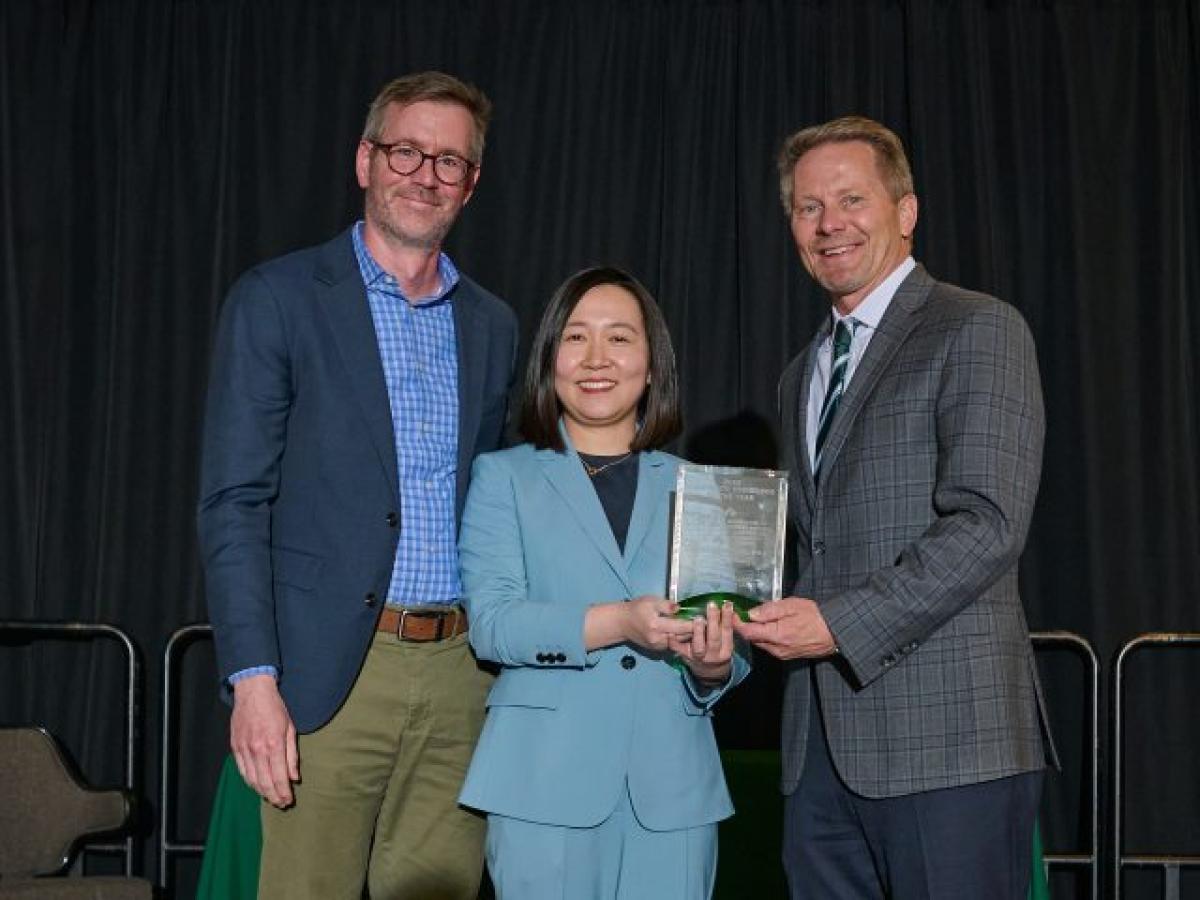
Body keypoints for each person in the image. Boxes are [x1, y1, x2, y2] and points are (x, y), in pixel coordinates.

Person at [196, 71, 518, 900]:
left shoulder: (491, 324)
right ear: (366, 160)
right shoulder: (278, 299)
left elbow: (495, 503)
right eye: (406, 151)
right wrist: (254, 680)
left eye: (449, 161)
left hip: (460, 676)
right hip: (325, 675)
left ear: (471, 183)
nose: (426, 175)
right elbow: (234, 504)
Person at [735, 116, 1056, 899]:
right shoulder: (801, 372)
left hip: (950, 746)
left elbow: (987, 526)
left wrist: (836, 625)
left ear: (905, 211)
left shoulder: (978, 327)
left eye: (852, 199)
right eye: (808, 208)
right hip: (819, 754)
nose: (830, 224)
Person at [456, 266, 750, 900]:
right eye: (575, 336)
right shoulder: (504, 477)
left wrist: (713, 666)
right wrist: (619, 621)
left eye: (619, 338)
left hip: (672, 792)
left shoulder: (702, 488)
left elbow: (732, 645)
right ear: (549, 359)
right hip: (541, 784)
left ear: (652, 364)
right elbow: (494, 625)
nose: (596, 358)